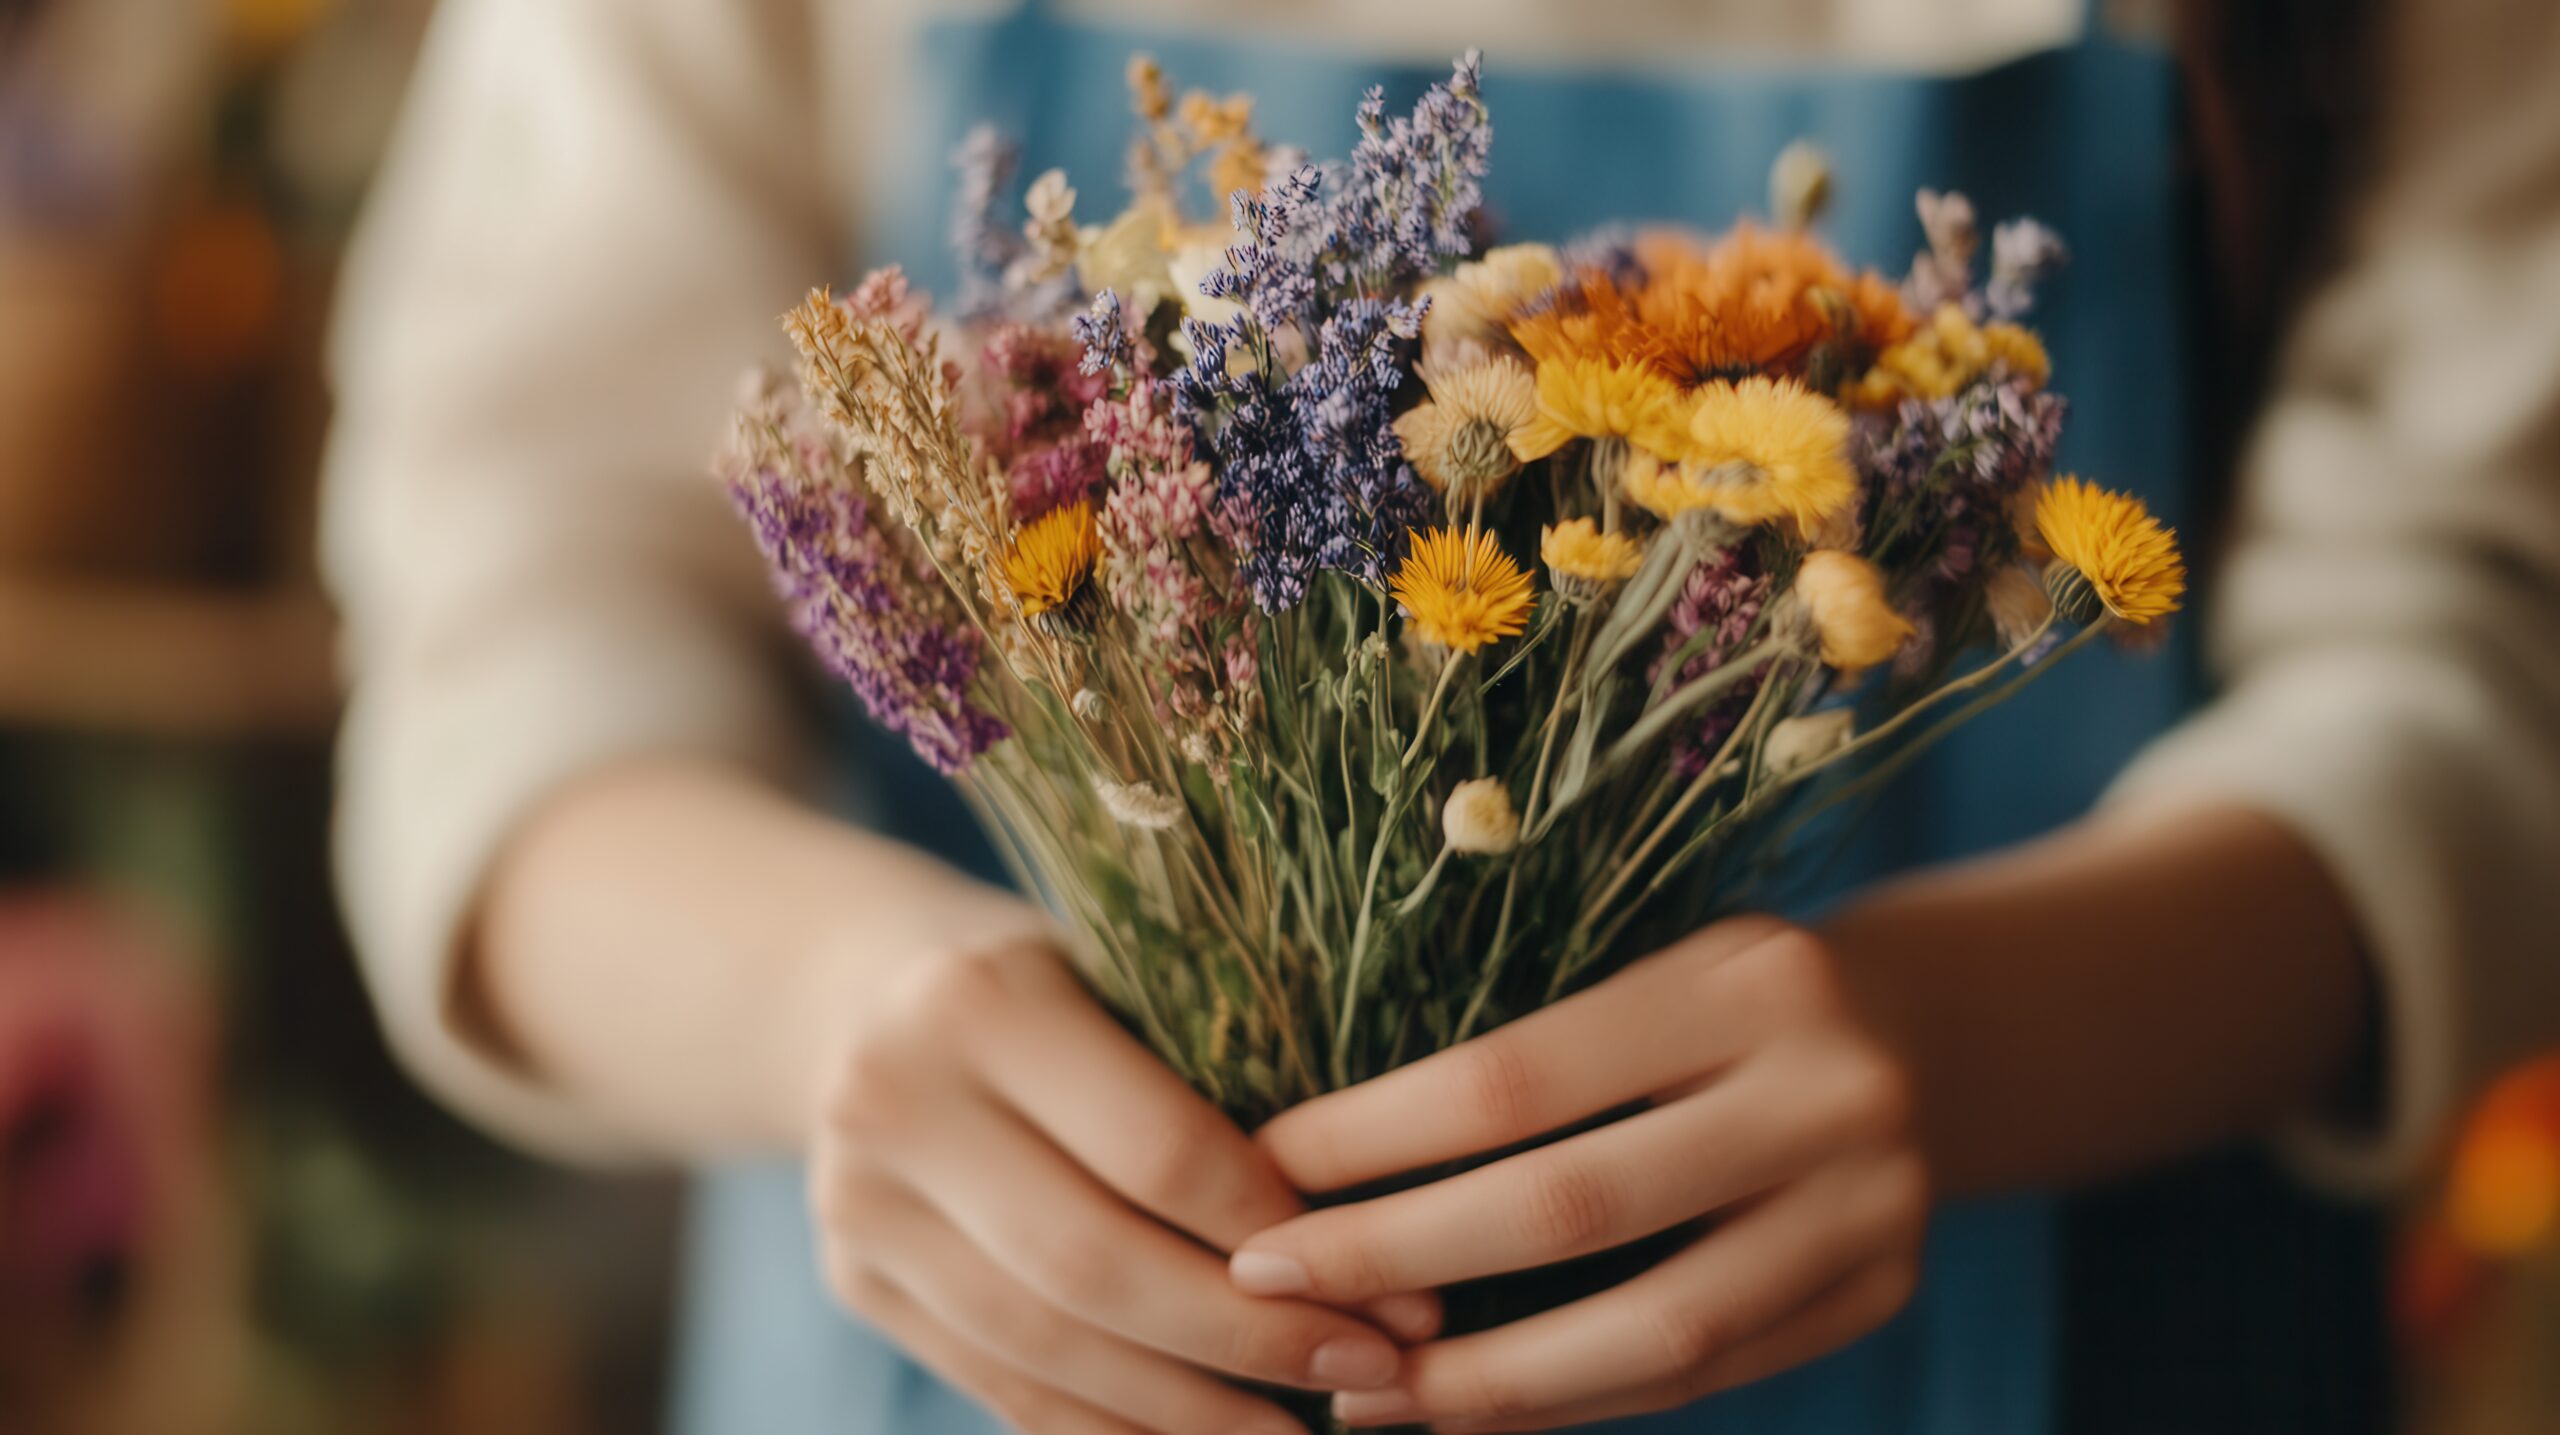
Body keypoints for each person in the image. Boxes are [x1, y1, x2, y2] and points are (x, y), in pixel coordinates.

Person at [321, 1, 2560, 1432]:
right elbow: (517, 596)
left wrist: (1952, 1039)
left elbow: (2476, 637)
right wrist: (829, 1001)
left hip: (2081, 1310)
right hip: (986, 1348)